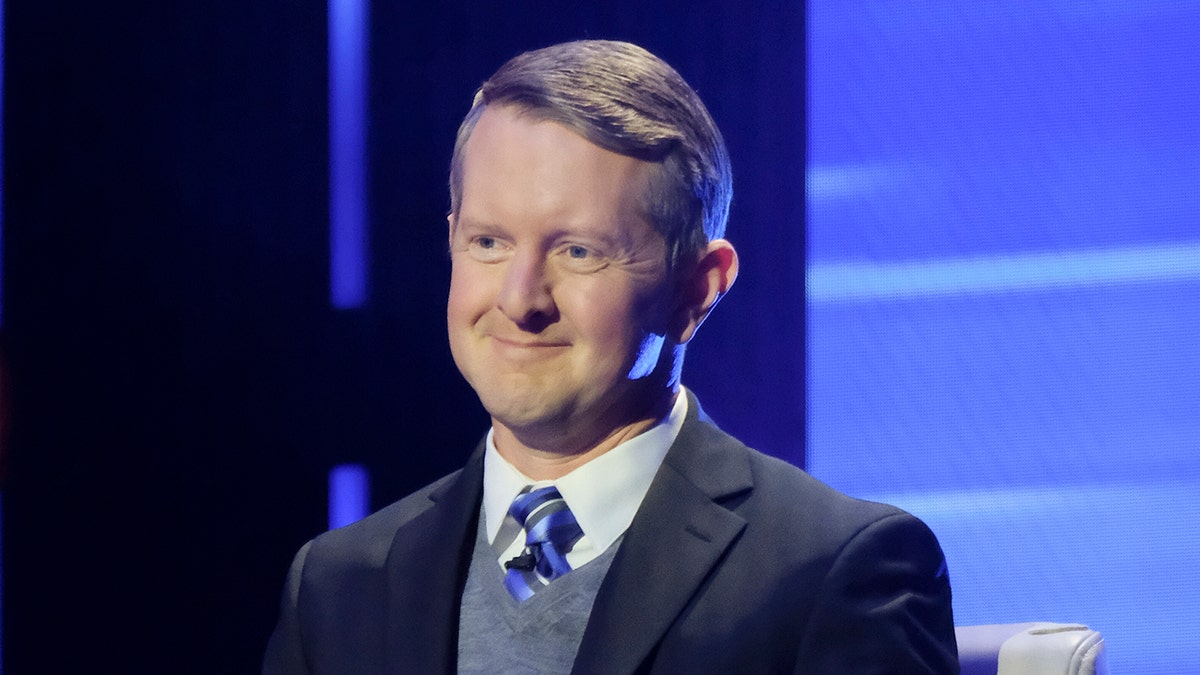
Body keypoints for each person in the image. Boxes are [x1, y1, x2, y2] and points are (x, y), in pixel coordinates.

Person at [264, 39, 958, 674]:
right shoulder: (337, 585)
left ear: (698, 289)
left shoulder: (834, 571)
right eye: (488, 242)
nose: (520, 298)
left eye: (578, 251)